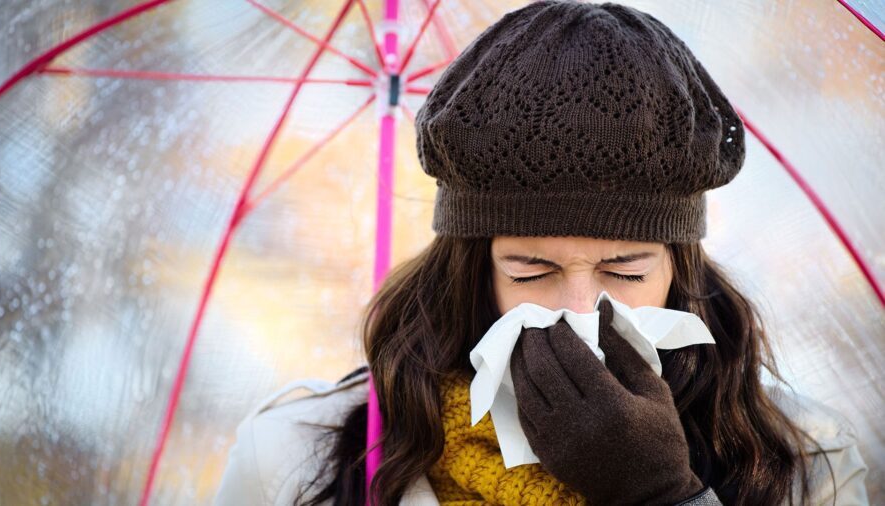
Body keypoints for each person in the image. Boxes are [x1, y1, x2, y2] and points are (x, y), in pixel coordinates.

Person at [213, 1, 870, 505]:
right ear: (474, 271)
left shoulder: (806, 461)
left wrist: (665, 495)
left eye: (625, 270)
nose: (578, 310)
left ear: (680, 269)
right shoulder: (299, 457)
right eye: (532, 270)